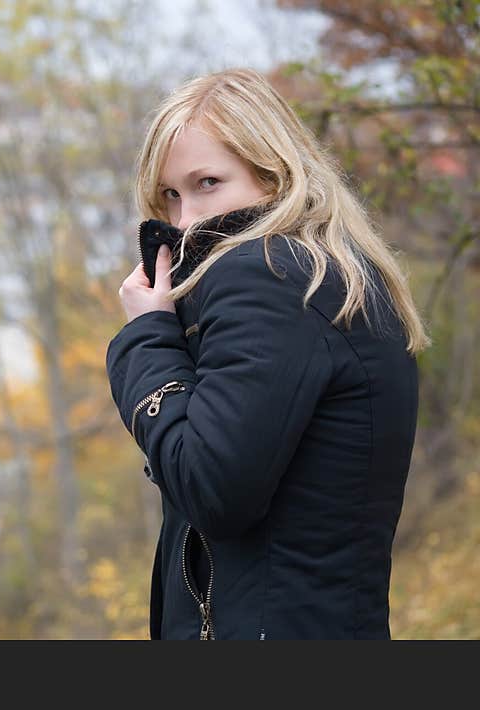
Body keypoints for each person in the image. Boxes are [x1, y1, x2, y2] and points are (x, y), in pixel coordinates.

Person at [105, 68, 431, 640]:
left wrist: (147, 337)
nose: (186, 221)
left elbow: (211, 489)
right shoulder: (339, 277)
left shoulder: (267, 275)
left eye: (209, 182)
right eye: (171, 196)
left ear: (276, 174)